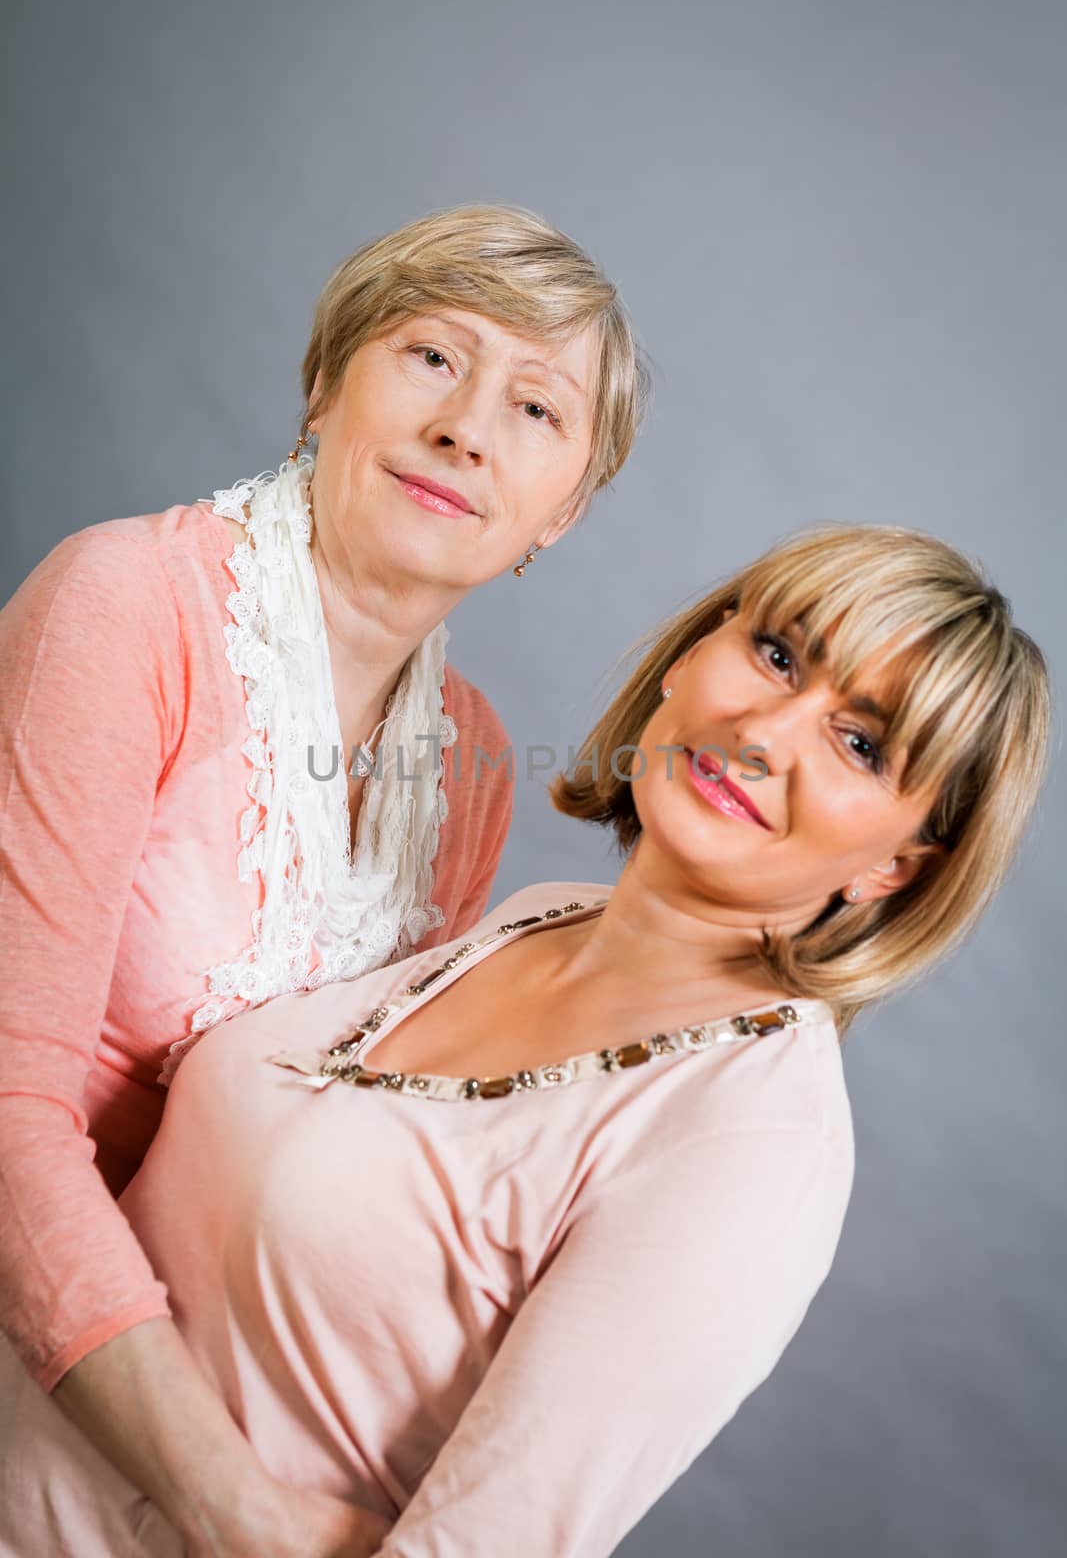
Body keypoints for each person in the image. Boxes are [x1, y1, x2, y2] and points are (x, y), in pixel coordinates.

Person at [0, 522, 1048, 1558]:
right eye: (774, 655)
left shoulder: (749, 1142)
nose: (765, 731)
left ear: (893, 870)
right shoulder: (538, 915)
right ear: (693, 654)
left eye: (859, 744)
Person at [0, 203, 647, 1553]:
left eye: (537, 408)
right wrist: (235, 1510)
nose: (468, 426)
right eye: (430, 356)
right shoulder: (125, 605)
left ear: (563, 509)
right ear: (323, 381)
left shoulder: (468, 761)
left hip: (193, 1419)